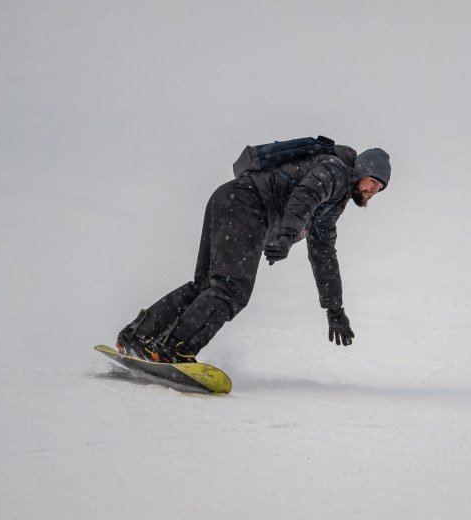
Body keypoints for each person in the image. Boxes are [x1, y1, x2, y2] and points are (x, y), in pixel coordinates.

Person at [116, 140, 391, 363]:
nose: (373, 191)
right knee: (232, 288)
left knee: (208, 285)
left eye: (379, 189)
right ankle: (174, 349)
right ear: (361, 170)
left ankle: (139, 336)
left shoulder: (334, 205)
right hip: (246, 204)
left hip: (231, 198)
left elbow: (324, 254)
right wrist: (286, 235)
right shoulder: (336, 170)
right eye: (373, 182)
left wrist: (334, 309)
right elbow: (305, 195)